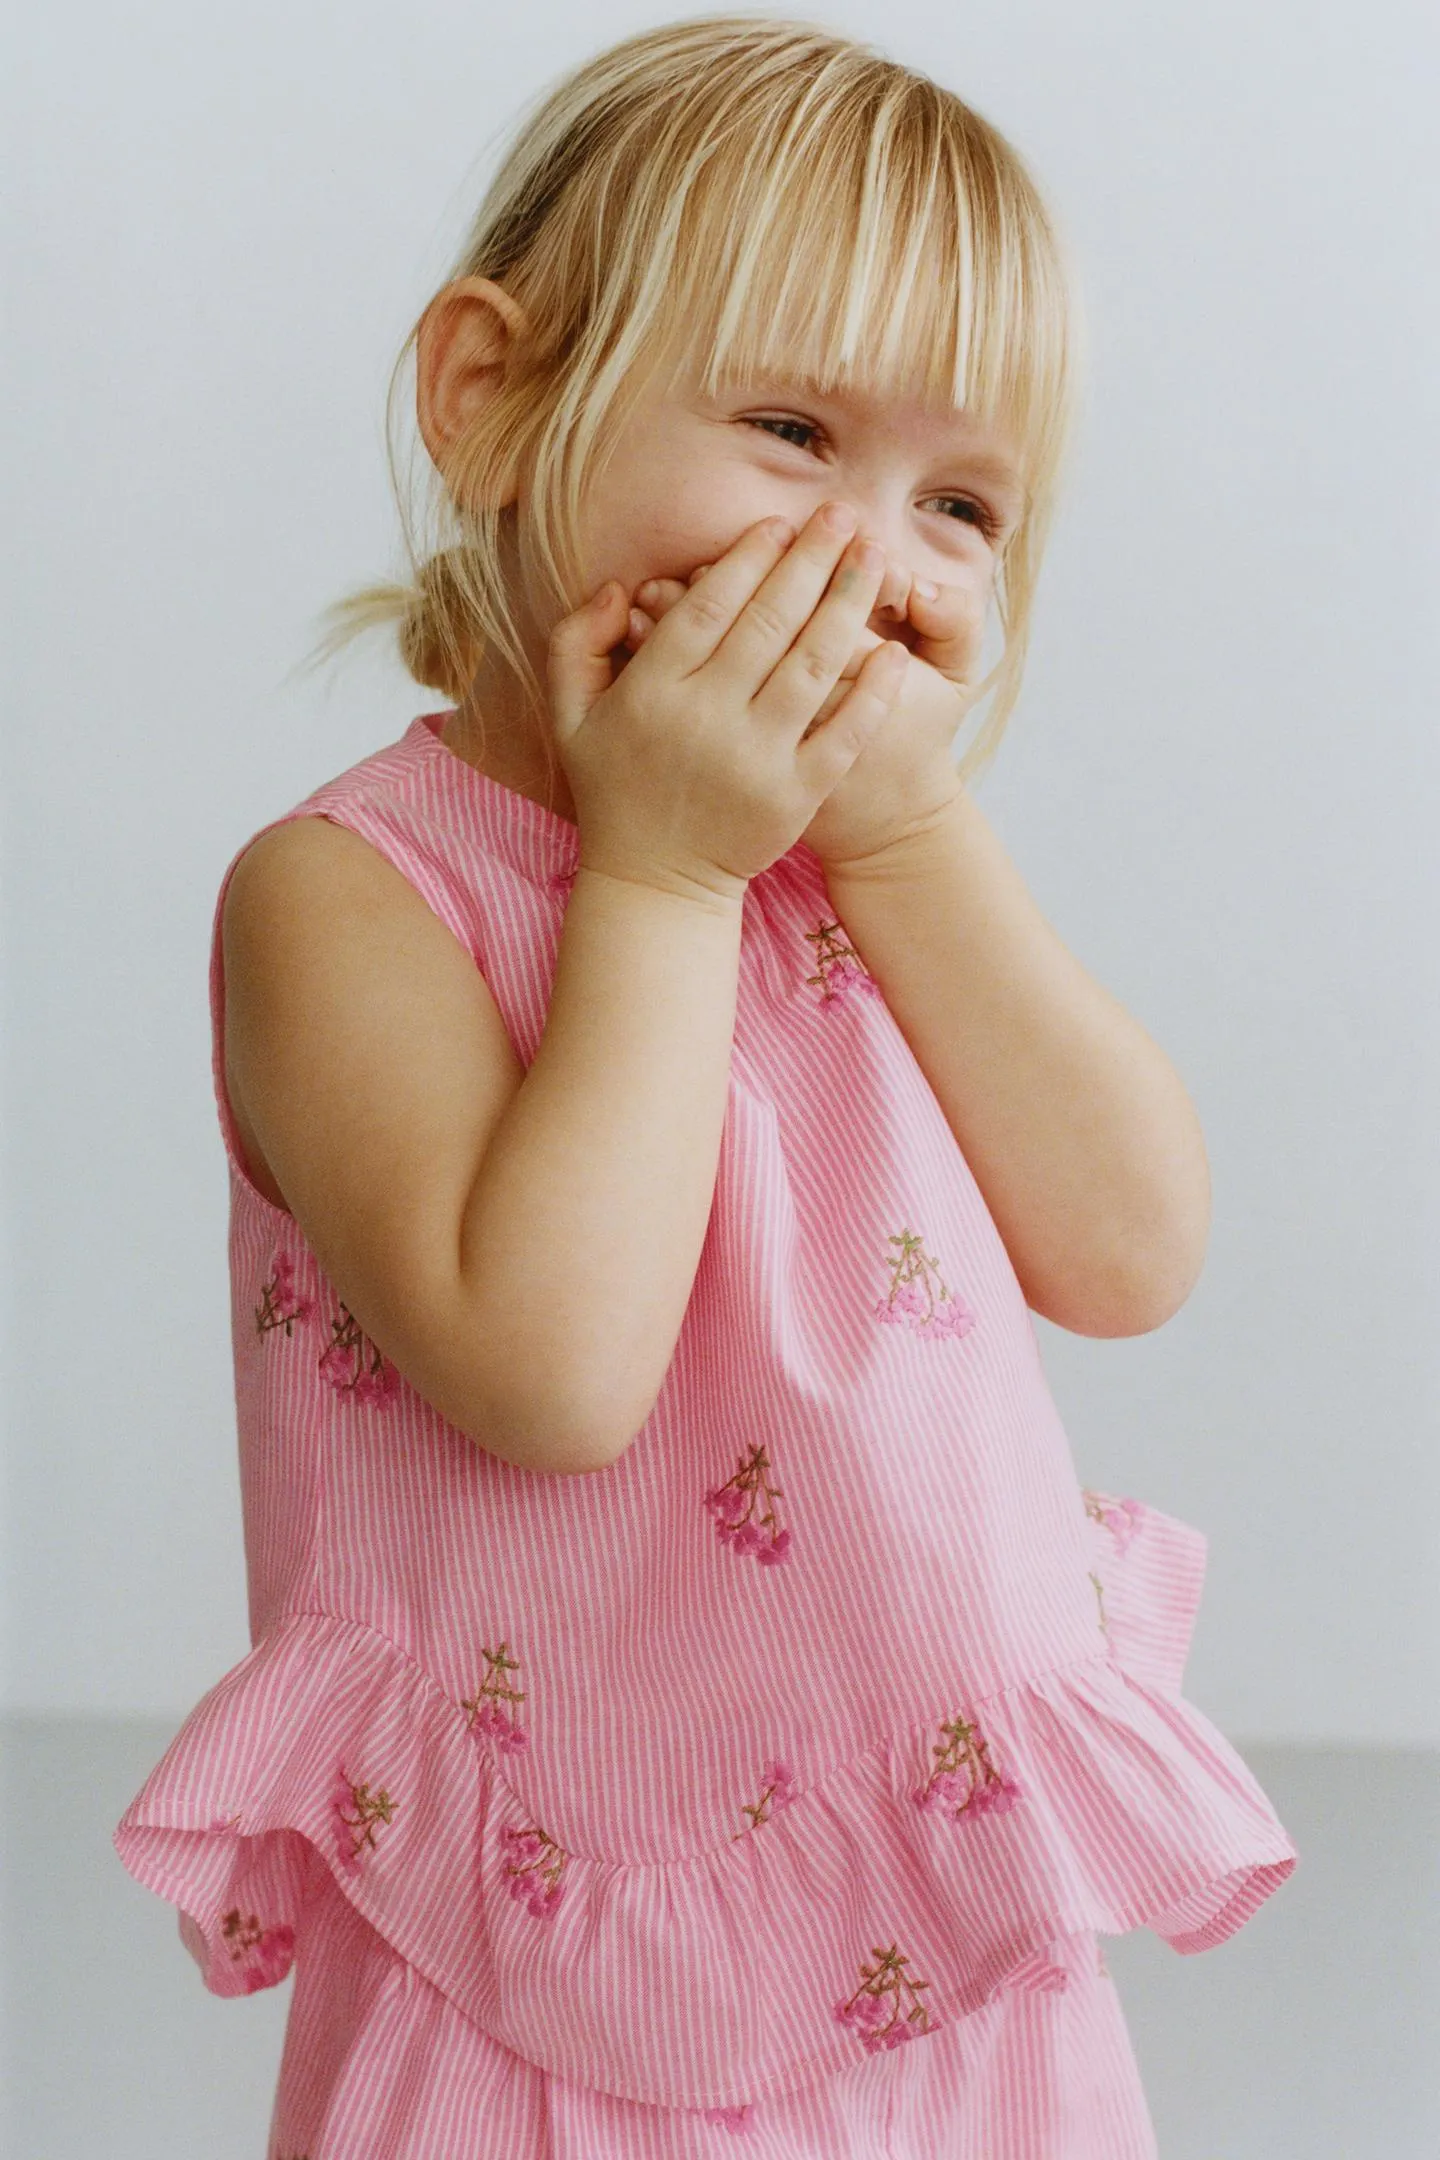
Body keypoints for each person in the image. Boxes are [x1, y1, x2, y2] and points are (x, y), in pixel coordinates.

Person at [112, 16, 1296, 2156]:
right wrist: (658, 874)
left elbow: (1132, 1250)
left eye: (960, 506)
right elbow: (549, 1371)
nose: (870, 556)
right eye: (790, 432)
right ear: (491, 399)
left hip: (926, 1929)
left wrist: (912, 839)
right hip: (526, 1949)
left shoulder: (881, 876)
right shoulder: (350, 899)